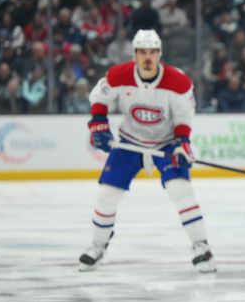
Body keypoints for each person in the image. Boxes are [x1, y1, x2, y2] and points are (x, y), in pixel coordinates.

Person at [79, 29, 215, 273]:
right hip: (129, 142)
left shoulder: (178, 81)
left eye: (152, 52)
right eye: (142, 52)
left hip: (166, 143)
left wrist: (183, 142)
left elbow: (184, 117)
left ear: (160, 53)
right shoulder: (119, 75)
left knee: (180, 190)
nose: (147, 57)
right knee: (106, 194)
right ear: (135, 54)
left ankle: (200, 246)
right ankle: (97, 246)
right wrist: (98, 121)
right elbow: (100, 96)